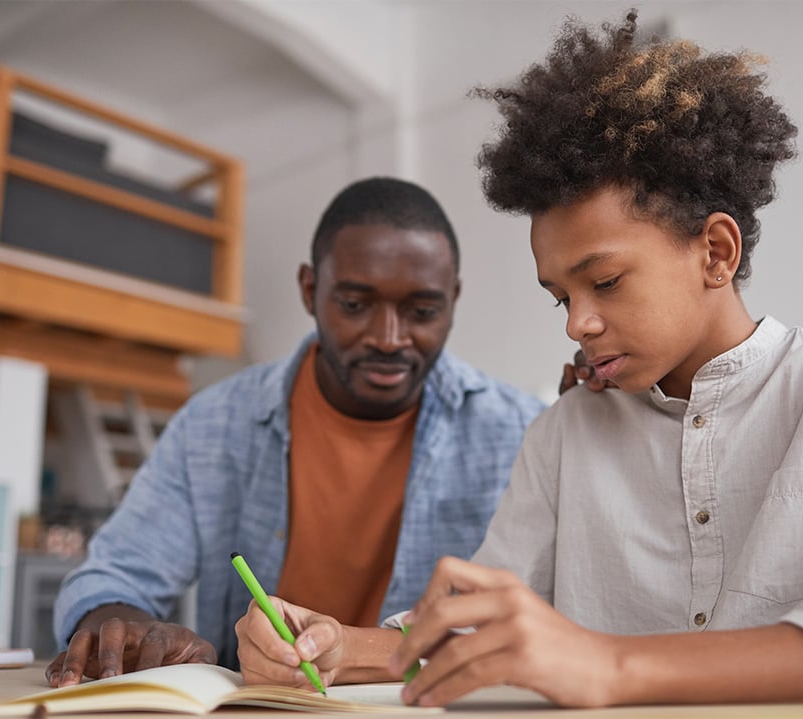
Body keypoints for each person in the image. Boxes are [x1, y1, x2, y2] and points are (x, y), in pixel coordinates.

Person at [242, 12, 803, 707]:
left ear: (715, 251)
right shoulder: (564, 435)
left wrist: (611, 664)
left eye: (606, 282)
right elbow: (479, 626)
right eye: (560, 296)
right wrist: (341, 645)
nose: (578, 322)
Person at [46, 177, 545, 687]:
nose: (389, 338)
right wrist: (129, 630)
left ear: (453, 299)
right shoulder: (215, 424)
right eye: (354, 304)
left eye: (422, 312)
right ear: (310, 290)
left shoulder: (523, 432)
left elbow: (547, 620)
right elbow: (113, 575)